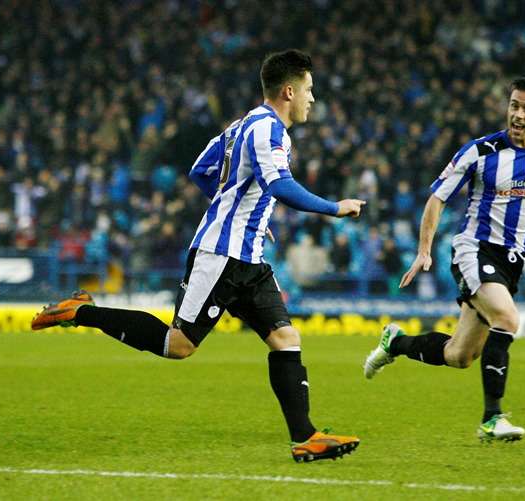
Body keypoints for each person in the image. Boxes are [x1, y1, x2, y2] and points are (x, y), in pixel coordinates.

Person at [32, 50, 366, 462]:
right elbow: (279, 184)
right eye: (310, 90)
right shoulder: (270, 131)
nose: (313, 99)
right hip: (221, 255)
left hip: (250, 257)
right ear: (289, 90)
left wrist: (247, 212)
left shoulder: (241, 125)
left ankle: (306, 437)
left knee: (285, 338)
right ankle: (82, 312)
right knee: (179, 345)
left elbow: (200, 170)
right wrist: (335, 208)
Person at [364, 77, 525, 442]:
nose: (518, 114)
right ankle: (492, 419)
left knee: (460, 356)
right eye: (514, 105)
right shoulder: (480, 152)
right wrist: (424, 250)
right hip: (473, 249)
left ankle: (394, 343)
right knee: (508, 318)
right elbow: (437, 198)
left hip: (511, 262)